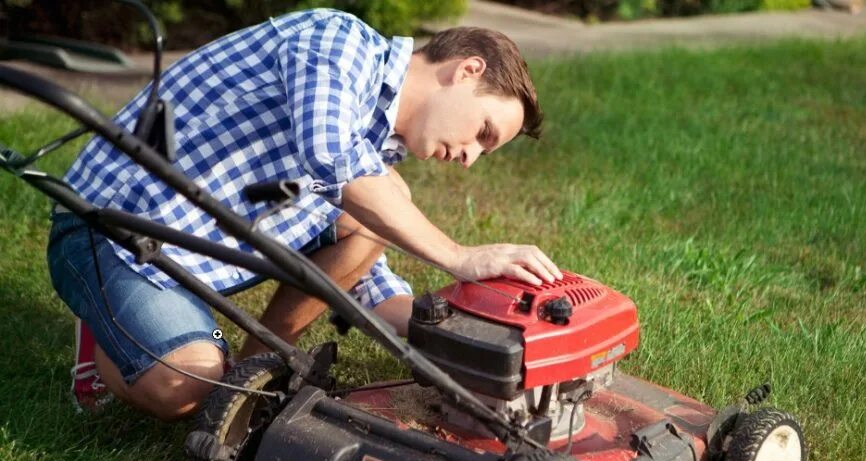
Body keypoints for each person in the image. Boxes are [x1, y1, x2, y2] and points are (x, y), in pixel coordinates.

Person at [49, 9, 561, 422]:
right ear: (467, 70)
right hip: (111, 229)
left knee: (380, 209)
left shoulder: (379, 149)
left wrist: (459, 331)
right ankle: (104, 337)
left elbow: (360, 274)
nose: (471, 157)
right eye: (484, 133)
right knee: (186, 383)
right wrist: (459, 258)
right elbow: (331, 159)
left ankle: (253, 369)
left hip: (194, 250)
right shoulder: (338, 42)